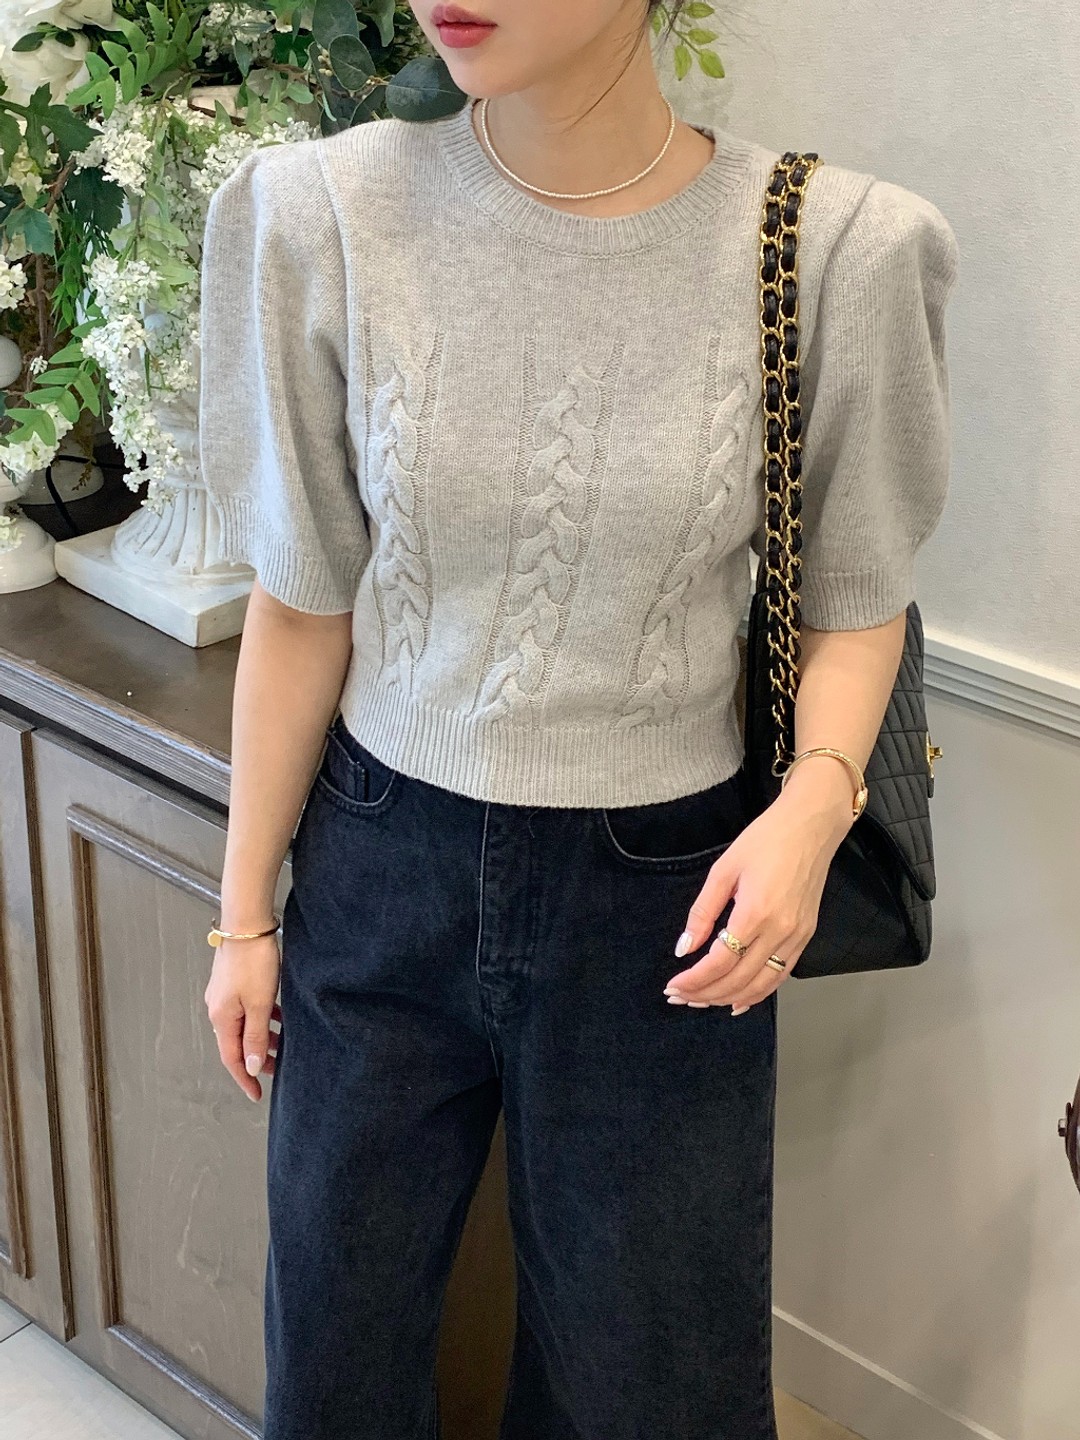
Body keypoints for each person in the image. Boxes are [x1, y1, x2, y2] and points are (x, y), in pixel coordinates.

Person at [197, 2, 959, 1436]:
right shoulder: (321, 214)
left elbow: (854, 599)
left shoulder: (834, 245)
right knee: (334, 1362)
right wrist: (243, 919)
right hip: (377, 864)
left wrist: (813, 805)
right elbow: (302, 603)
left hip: (663, 897)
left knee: (648, 1388)